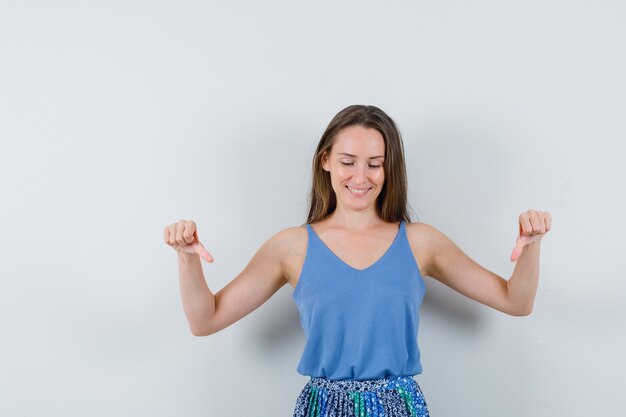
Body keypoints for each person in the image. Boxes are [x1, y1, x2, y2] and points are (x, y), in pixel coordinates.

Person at [163, 104, 551, 417]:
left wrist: (531, 245)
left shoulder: (420, 242)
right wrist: (186, 258)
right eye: (348, 161)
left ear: (389, 166)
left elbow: (516, 302)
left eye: (375, 162)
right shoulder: (290, 247)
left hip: (399, 408)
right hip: (322, 408)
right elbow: (205, 320)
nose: (361, 176)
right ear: (326, 161)